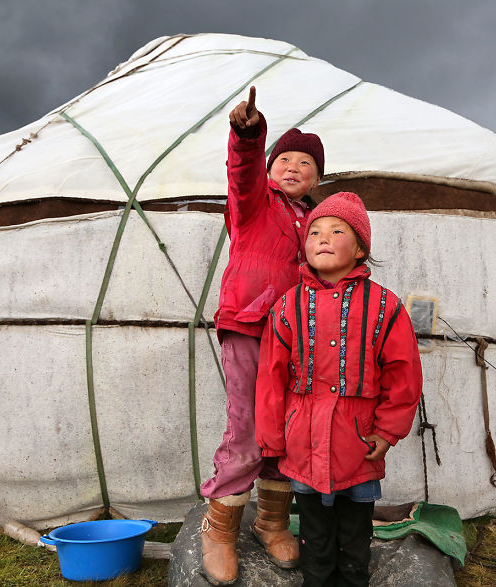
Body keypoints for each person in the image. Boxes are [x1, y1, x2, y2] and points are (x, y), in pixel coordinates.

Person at [255, 191, 424, 586]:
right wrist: (272, 439)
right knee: (313, 536)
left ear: (361, 248)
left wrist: (387, 431)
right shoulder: (287, 307)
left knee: (354, 538)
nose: (323, 238)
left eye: (336, 231)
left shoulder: (385, 306)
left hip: (358, 442)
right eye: (314, 232)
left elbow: (403, 374)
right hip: (303, 441)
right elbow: (270, 377)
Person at [199, 86, 326, 586]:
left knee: (287, 431)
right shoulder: (254, 202)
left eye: (306, 164)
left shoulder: (317, 221)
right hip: (249, 324)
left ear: (318, 177)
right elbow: (242, 171)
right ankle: (219, 528)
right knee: (249, 429)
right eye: (286, 159)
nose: (294, 168)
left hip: (297, 338)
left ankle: (271, 522)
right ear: (271, 167)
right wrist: (248, 136)